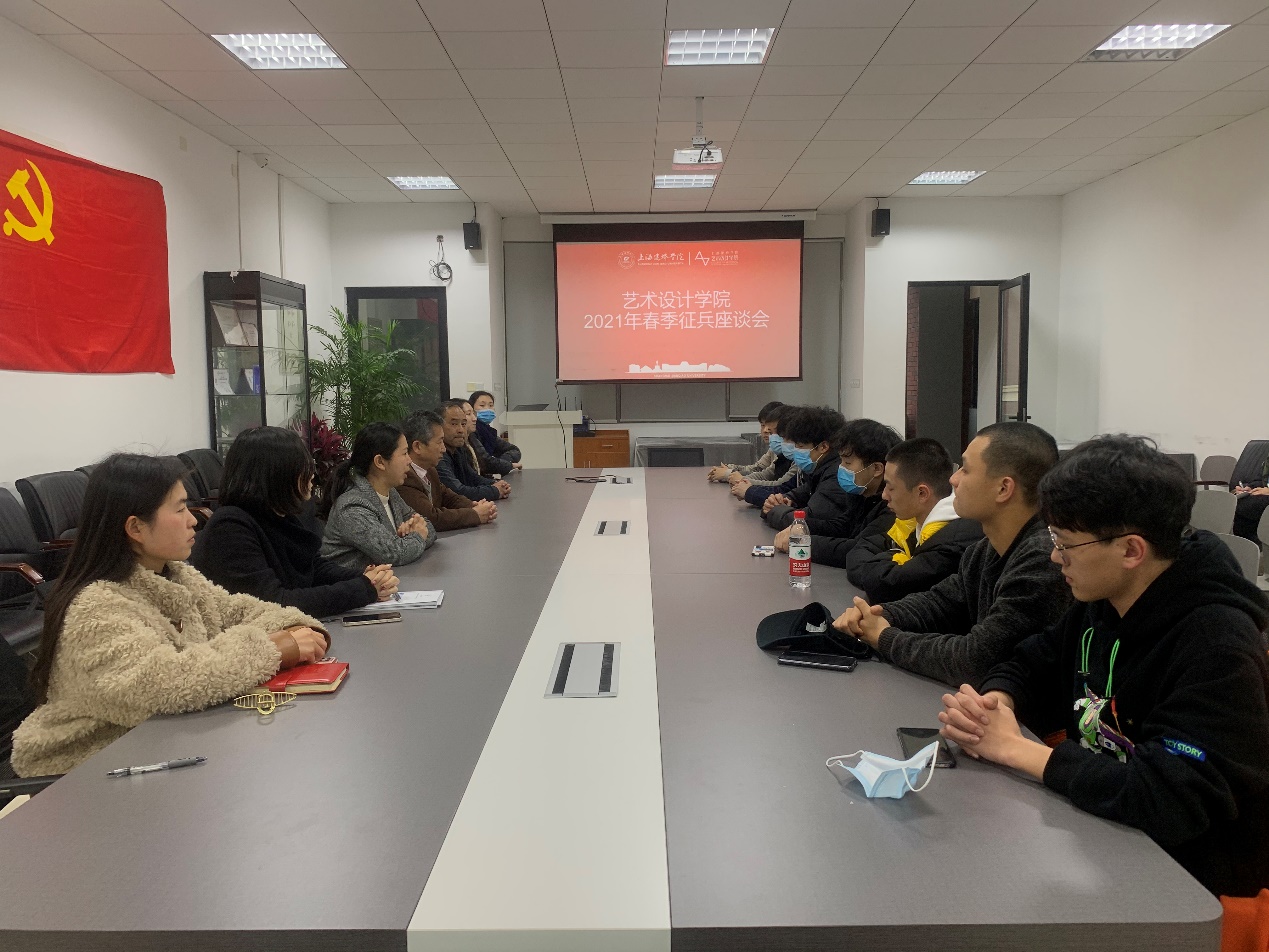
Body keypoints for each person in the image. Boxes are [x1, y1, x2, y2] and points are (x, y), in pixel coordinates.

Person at [939, 435, 1269, 899]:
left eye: (1066, 544)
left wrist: (1013, 749)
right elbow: (1033, 659)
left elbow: (1170, 797)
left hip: (1188, 887)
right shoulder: (1105, 599)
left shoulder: (1216, 643)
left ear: (1131, 550)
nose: (1055, 557)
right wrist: (997, 701)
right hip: (1100, 839)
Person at [11, 454, 328, 777]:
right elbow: (167, 682)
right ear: (136, 527)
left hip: (160, 745)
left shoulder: (176, 575)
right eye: (179, 509)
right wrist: (272, 648)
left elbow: (238, 609)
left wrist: (292, 627)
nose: (193, 520)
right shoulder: (94, 608)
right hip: (92, 768)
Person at [833, 422, 1071, 687]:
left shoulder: (1043, 559)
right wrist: (880, 614)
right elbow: (940, 602)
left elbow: (976, 660)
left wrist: (884, 637)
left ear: (1003, 489)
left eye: (966, 470)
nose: (953, 479)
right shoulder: (985, 549)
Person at [192, 427, 398, 619]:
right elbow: (275, 603)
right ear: (277, 475)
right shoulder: (230, 528)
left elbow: (312, 567)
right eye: (303, 468)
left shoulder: (278, 514)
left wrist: (365, 577)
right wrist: (362, 588)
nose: (312, 476)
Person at [844, 438, 984, 601]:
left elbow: (885, 586)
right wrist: (895, 559)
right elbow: (862, 548)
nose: (884, 495)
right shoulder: (914, 522)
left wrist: (889, 560)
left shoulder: (951, 545)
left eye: (891, 488)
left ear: (922, 493)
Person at [773, 418, 901, 562]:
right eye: (841, 461)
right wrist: (802, 527)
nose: (841, 468)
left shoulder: (892, 506)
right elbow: (842, 526)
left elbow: (858, 549)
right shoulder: (861, 493)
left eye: (847, 463)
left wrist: (802, 543)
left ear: (876, 468)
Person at [321, 422, 436, 571]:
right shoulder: (352, 507)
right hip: (351, 584)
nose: (409, 460)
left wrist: (412, 534)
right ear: (380, 462)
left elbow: (429, 527)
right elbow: (395, 554)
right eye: (404, 453)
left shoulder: (391, 493)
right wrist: (417, 535)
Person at [399, 410, 497, 530]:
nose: (444, 449)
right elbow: (431, 518)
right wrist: (475, 514)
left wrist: (473, 505)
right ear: (417, 446)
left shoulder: (430, 470)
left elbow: (448, 497)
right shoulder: (404, 476)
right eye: (439, 442)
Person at [759, 406, 846, 528]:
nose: (795, 451)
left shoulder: (835, 475)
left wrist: (773, 510)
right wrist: (782, 500)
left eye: (800, 446)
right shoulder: (817, 471)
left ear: (823, 447)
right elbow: (799, 494)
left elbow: (809, 520)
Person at [436, 400, 510, 502]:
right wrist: (495, 491)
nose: (461, 430)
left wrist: (496, 483)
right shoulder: (438, 456)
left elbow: (472, 477)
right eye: (454, 424)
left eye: (463, 424)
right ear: (438, 427)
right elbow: (458, 491)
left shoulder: (458, 449)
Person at [736, 405, 800, 506]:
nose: (767, 432)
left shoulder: (800, 460)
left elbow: (781, 487)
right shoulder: (782, 454)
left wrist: (747, 488)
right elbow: (765, 473)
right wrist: (743, 481)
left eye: (777, 433)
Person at [707, 401, 784, 483]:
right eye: (763, 425)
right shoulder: (773, 448)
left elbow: (769, 478)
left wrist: (727, 474)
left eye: (770, 427)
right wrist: (728, 468)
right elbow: (756, 469)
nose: (765, 430)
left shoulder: (786, 451)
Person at [469, 390, 522, 474]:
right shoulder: (471, 431)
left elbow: (514, 450)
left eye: (491, 405)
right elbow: (483, 461)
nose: (487, 409)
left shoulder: (489, 432)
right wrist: (507, 465)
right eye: (482, 405)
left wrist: (502, 463)